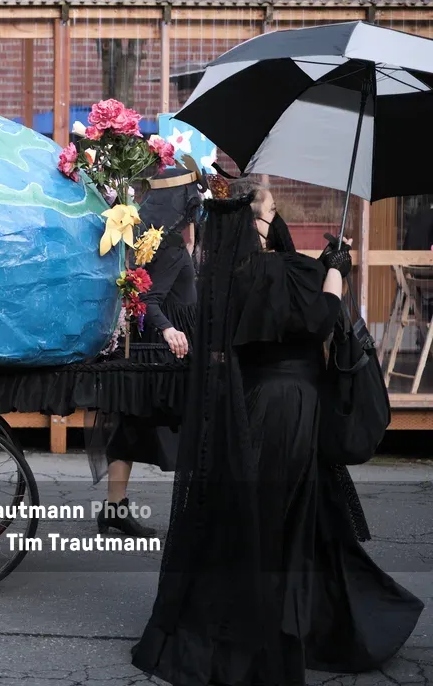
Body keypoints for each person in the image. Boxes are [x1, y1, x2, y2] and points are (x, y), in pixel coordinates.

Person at [131, 177, 421, 685]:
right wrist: (335, 270)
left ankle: (293, 619)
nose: (276, 223)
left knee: (277, 515)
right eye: (269, 215)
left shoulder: (224, 276)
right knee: (285, 517)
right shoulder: (277, 270)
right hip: (291, 407)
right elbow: (320, 319)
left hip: (255, 403)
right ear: (253, 222)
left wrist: (324, 269)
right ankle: (288, 625)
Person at [86, 167, 202, 537]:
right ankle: (196, 514)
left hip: (148, 346)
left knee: (131, 425)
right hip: (165, 350)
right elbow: (147, 296)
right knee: (192, 427)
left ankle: (115, 508)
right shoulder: (165, 244)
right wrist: (170, 330)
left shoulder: (147, 234)